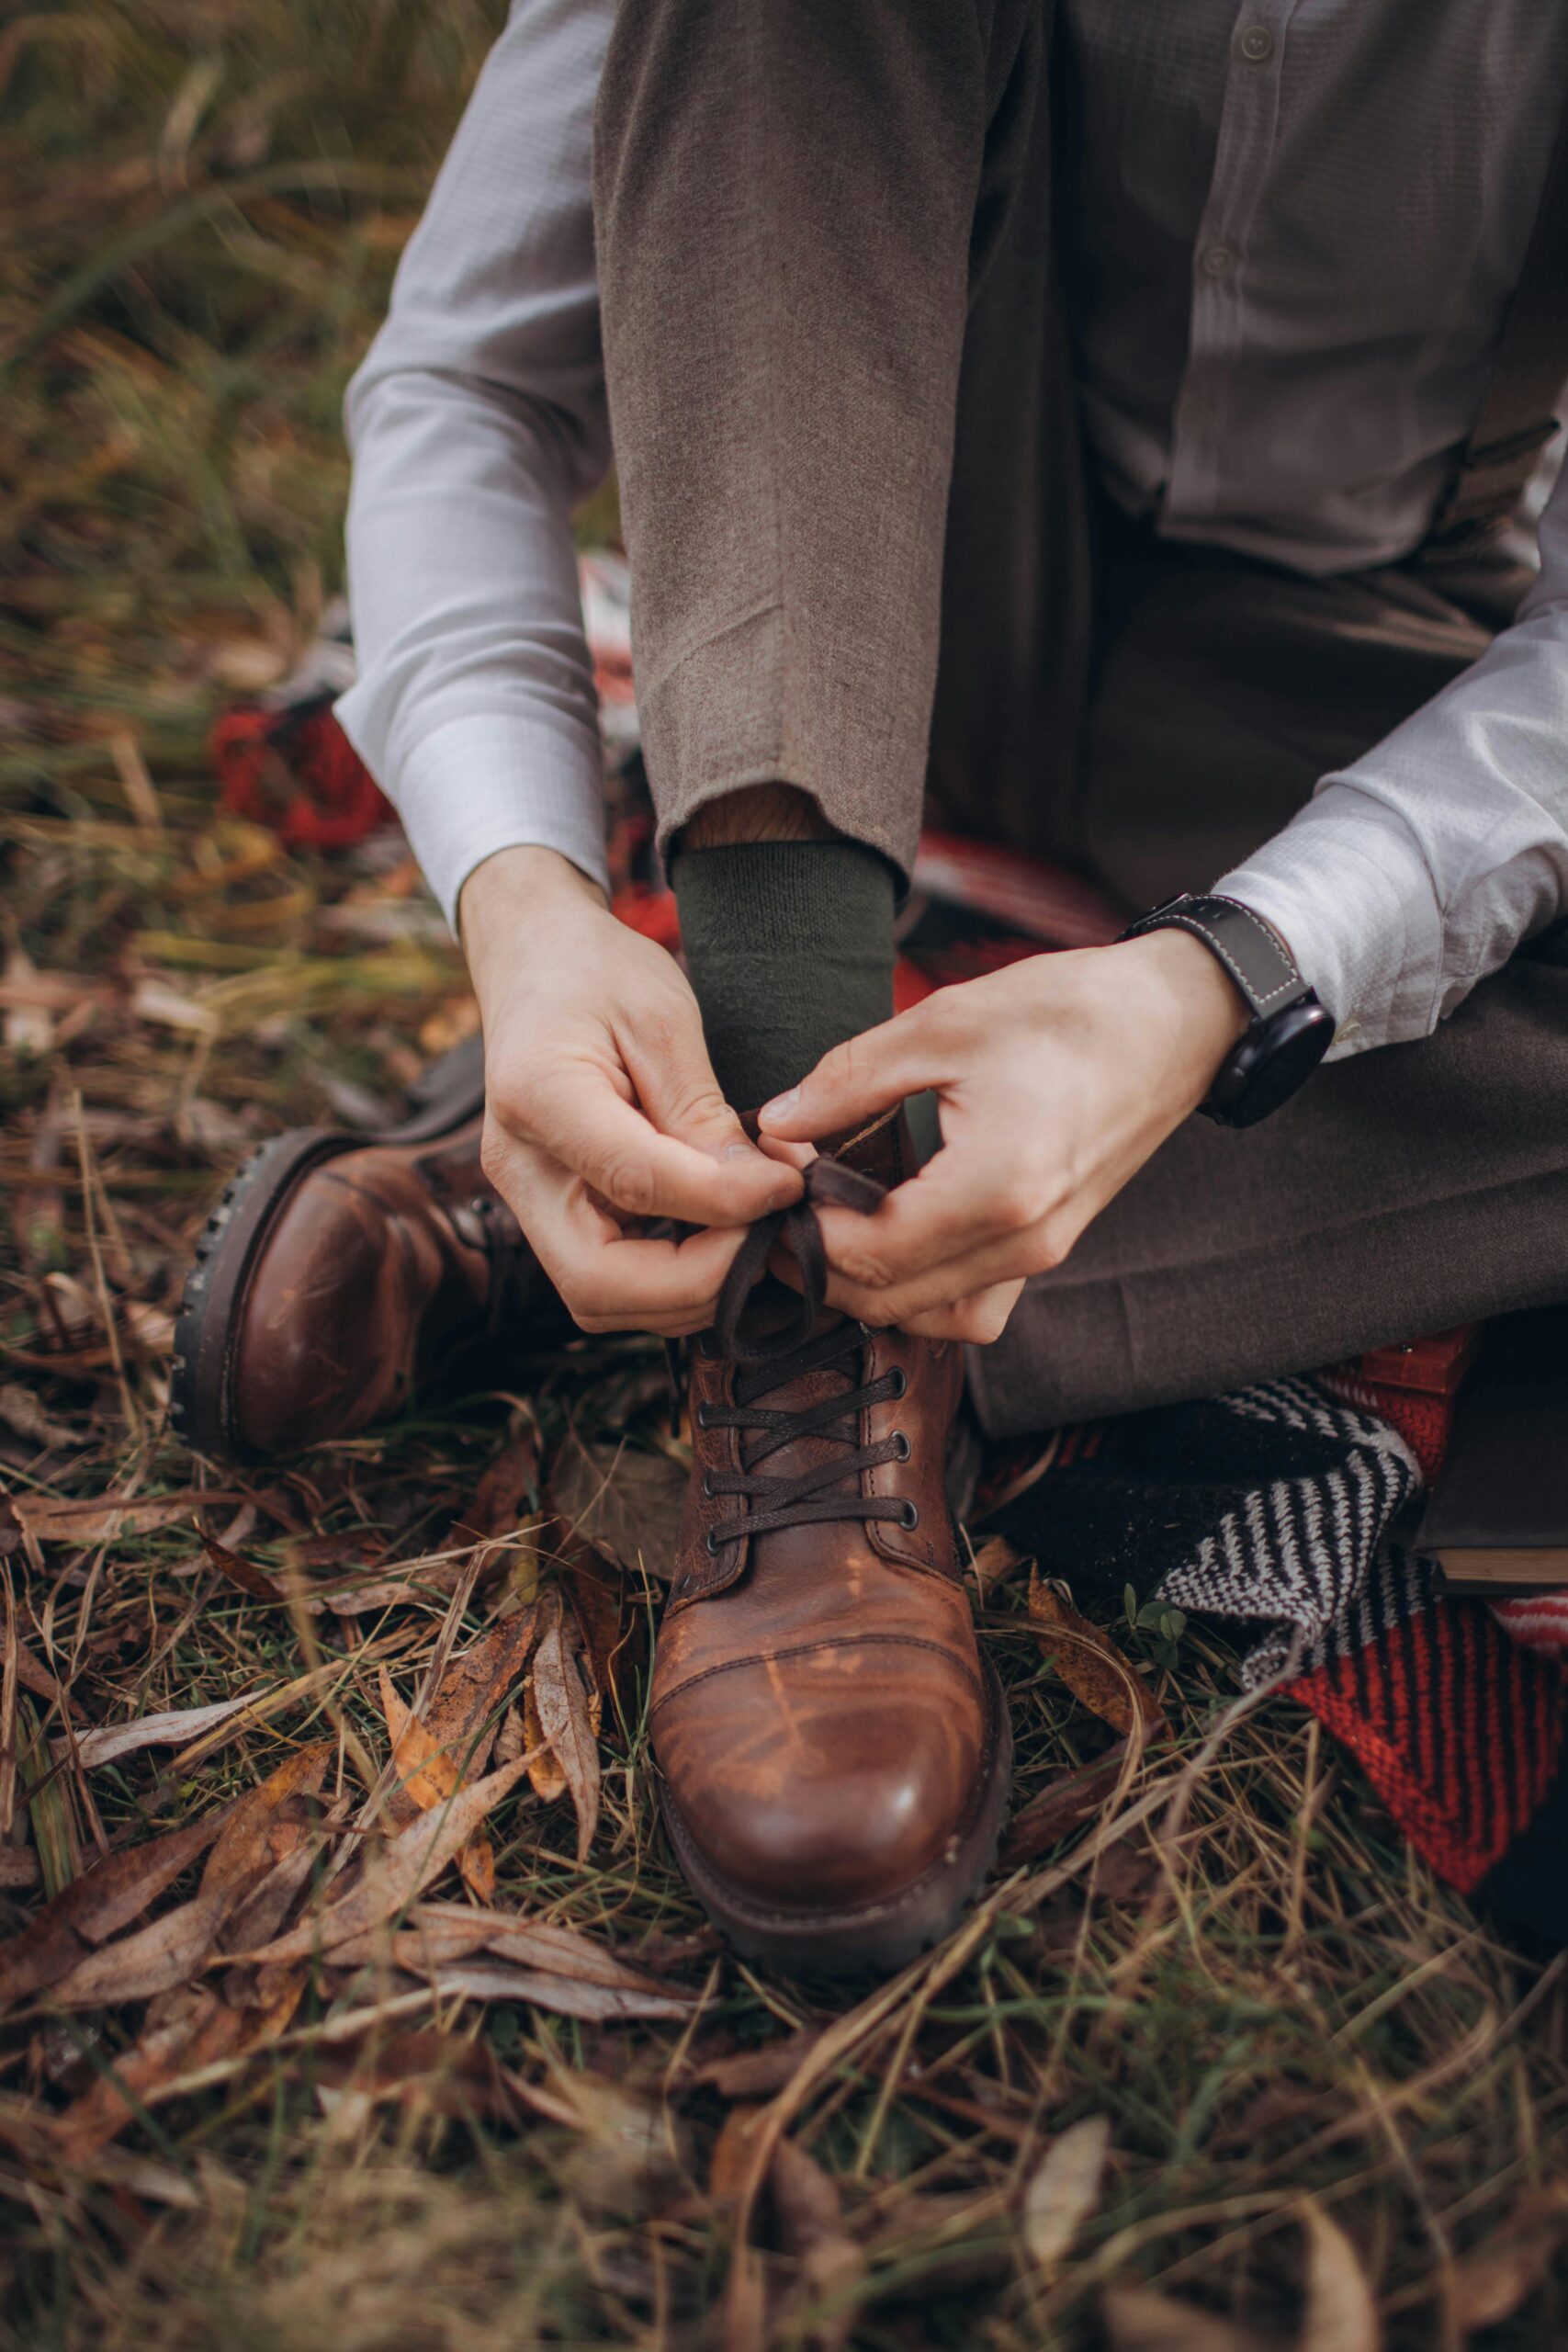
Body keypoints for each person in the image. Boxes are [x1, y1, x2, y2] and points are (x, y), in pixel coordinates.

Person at [173, 1, 1568, 1973]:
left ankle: (706, 1229)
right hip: (865, 592)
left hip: (1363, 670)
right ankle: (799, 1206)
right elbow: (466, 390)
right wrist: (524, 902)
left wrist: (1219, 980)